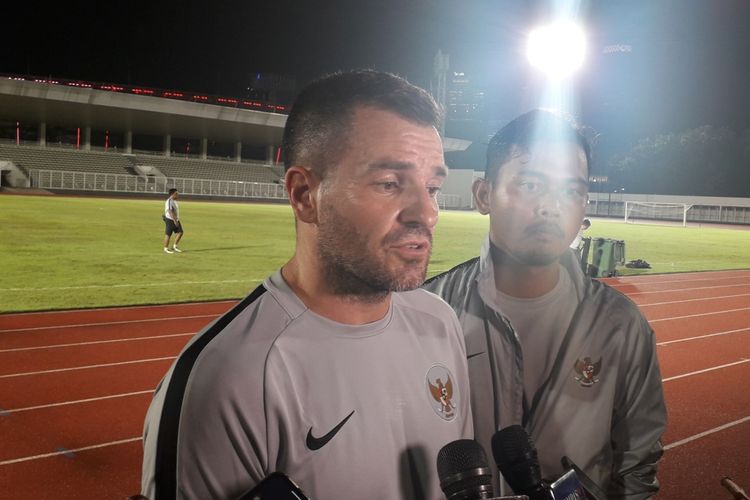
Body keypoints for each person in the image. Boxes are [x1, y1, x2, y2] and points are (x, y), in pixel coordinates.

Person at [140, 70, 473, 500]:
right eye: (390, 184)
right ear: (304, 195)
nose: (426, 214)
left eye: (433, 188)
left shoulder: (440, 322)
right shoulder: (228, 380)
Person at [424, 110, 666, 499]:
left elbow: (637, 462)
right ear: (483, 195)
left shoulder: (621, 324)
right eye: (530, 184)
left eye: (572, 191)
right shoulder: (428, 311)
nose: (552, 206)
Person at [163, 188, 183, 253]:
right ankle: (166, 248)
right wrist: (174, 220)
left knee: (180, 232)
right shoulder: (169, 201)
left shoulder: (174, 201)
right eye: (176, 194)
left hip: (175, 219)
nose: (177, 195)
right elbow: (170, 211)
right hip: (170, 219)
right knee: (168, 234)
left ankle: (174, 246)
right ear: (173, 194)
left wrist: (176, 219)